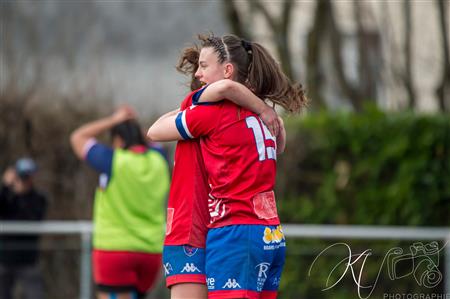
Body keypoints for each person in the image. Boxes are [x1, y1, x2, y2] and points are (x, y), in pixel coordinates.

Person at [148, 34, 306, 299]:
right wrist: (264, 108)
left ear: (227, 71)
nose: (198, 74)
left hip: (221, 232)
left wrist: (193, 104)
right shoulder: (266, 118)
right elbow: (279, 145)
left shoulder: (211, 113)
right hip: (269, 234)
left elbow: (154, 130)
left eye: (203, 66)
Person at [70, 106, 170, 299]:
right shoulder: (159, 159)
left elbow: (78, 137)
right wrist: (134, 126)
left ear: (118, 140)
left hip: (114, 249)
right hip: (150, 251)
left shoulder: (113, 160)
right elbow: (155, 138)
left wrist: (114, 119)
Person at [0, 158, 48, 299]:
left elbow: (32, 219)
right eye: (22, 175)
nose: (25, 179)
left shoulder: (38, 198)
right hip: (4, 259)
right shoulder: (7, 197)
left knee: (35, 294)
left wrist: (23, 194)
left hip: (28, 260)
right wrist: (6, 186)